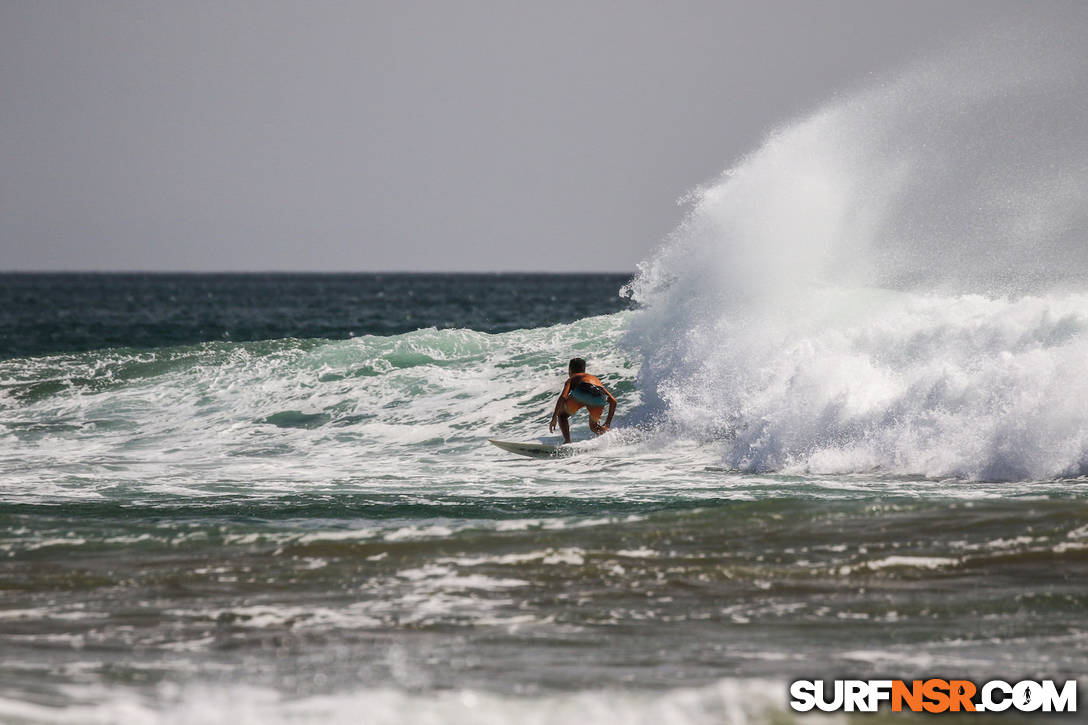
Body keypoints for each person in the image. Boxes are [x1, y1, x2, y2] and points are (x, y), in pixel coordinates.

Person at [549, 357, 617, 444]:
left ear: (569, 370)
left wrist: (554, 417)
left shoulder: (572, 378)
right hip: (599, 397)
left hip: (582, 391)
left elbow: (563, 397)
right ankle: (611, 437)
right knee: (594, 427)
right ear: (584, 369)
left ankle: (567, 441)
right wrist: (607, 423)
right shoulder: (595, 379)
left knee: (562, 416)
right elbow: (613, 401)